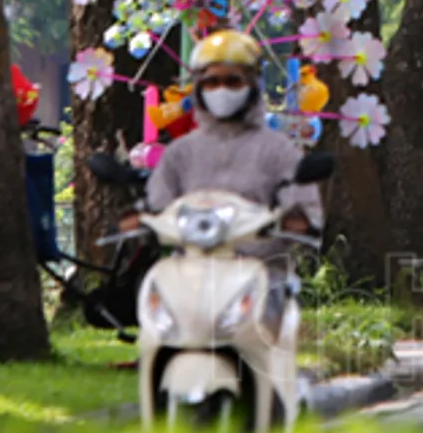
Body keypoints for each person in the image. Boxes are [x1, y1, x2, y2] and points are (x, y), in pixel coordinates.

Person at [139, 31, 324, 265]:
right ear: (199, 88)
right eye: (212, 82)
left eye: (233, 81)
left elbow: (305, 208)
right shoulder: (181, 152)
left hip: (261, 273)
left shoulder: (279, 150)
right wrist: (141, 219)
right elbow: (157, 204)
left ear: (252, 85)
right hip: (192, 271)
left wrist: (297, 221)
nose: (222, 90)